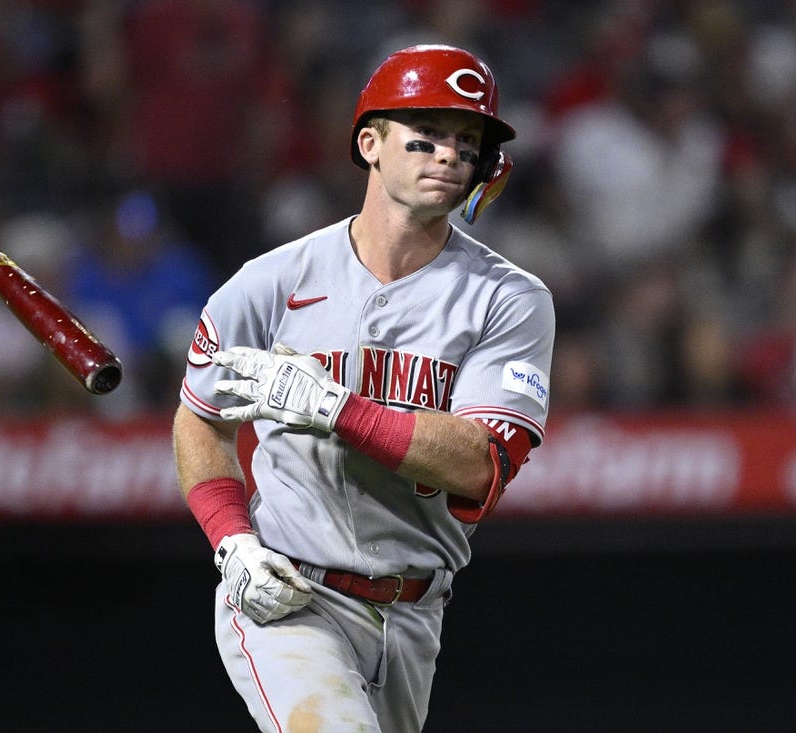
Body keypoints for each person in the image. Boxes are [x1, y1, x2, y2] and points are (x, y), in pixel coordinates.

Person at [172, 45, 554, 732]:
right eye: (427, 134)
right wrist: (232, 542)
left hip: (415, 613)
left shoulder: (510, 299)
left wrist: (333, 407)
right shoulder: (270, 282)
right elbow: (200, 419)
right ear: (370, 143)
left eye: (467, 142)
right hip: (291, 594)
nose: (448, 155)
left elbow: (480, 464)